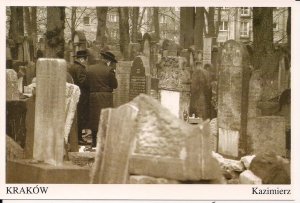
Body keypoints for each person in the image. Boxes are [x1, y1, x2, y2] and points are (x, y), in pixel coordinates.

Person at [87, 51, 118, 147]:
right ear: (108, 61)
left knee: (94, 118)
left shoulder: (90, 69)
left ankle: (94, 142)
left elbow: (86, 83)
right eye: (111, 62)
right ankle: (104, 142)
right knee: (105, 118)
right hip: (106, 97)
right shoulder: (109, 70)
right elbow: (115, 85)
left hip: (93, 96)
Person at [68, 50, 90, 144]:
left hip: (73, 93)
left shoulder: (72, 67)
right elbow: (82, 81)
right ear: (81, 59)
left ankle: (75, 137)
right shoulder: (80, 68)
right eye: (85, 59)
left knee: (75, 116)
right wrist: (89, 80)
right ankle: (79, 138)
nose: (85, 61)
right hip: (81, 95)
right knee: (80, 117)